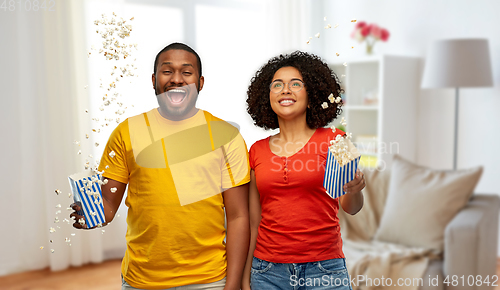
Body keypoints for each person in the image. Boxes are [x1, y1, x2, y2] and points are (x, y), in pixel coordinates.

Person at [70, 43, 250, 290]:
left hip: (209, 279)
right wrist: (92, 214)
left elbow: (239, 215)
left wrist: (233, 284)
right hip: (142, 279)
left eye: (187, 72)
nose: (176, 79)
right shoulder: (126, 132)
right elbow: (109, 204)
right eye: (167, 71)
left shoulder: (226, 136)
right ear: (154, 79)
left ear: (200, 82)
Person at [242, 51, 366, 290]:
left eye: (295, 84)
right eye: (277, 85)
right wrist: (246, 277)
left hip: (325, 270)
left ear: (311, 97)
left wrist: (355, 189)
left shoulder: (337, 140)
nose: (285, 90)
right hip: (267, 273)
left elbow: (352, 208)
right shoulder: (255, 151)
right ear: (267, 97)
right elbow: (254, 222)